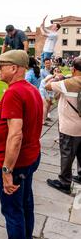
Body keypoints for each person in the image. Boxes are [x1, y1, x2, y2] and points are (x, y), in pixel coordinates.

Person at [0, 50, 43, 239]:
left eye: (2, 65)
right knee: (25, 206)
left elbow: (16, 135)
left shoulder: (14, 93)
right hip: (30, 158)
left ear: (15, 68)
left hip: (16, 162)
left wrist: (7, 170)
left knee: (13, 211)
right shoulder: (31, 90)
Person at [45, 57, 81, 194]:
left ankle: (64, 182)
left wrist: (57, 77)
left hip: (69, 127)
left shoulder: (68, 83)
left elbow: (47, 86)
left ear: (73, 69)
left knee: (67, 153)